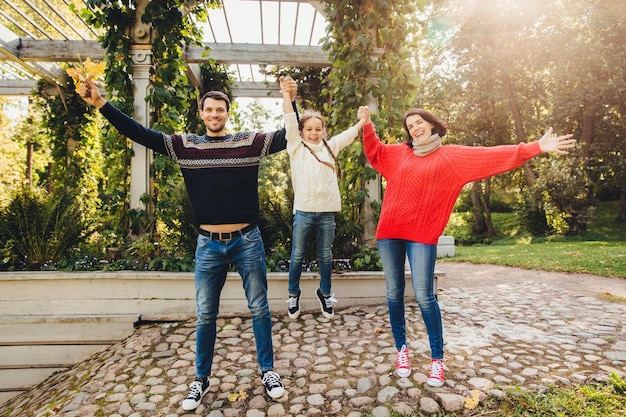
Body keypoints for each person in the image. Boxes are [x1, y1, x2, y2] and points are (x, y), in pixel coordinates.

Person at [79, 76, 298, 411]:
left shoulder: (248, 143)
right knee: (205, 314)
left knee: (259, 309)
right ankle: (200, 380)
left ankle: (268, 372)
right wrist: (101, 104)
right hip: (208, 245)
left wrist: (288, 99)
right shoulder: (185, 145)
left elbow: (289, 137)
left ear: (227, 113)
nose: (214, 114)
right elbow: (141, 134)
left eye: (220, 110)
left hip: (247, 241)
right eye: (209, 109)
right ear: (202, 113)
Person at [361, 107, 576, 387]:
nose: (415, 128)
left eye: (419, 122)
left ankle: (437, 359)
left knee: (425, 296)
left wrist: (535, 147)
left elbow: (491, 156)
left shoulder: (450, 157)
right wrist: (366, 125)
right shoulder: (399, 154)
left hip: (422, 235)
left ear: (432, 125)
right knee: (394, 293)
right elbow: (374, 150)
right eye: (410, 125)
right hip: (389, 231)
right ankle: (402, 350)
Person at [281, 84, 369, 319]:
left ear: (323, 130)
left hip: (327, 213)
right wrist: (286, 96)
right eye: (308, 129)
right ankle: (293, 294)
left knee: (326, 255)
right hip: (304, 212)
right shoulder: (296, 148)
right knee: (297, 254)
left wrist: (362, 121)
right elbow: (290, 121)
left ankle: (325, 294)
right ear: (301, 133)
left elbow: (348, 135)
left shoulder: (330, 148)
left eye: (318, 129)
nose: (313, 133)